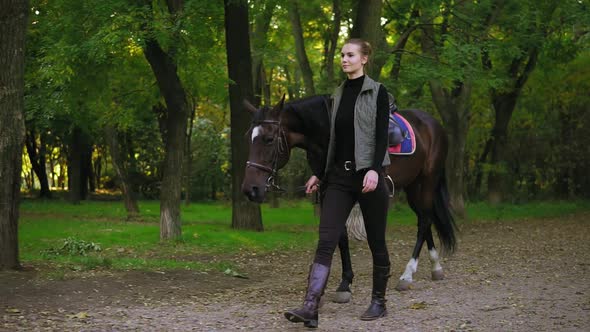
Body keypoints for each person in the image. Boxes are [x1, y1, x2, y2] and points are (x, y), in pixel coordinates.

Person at [284, 38, 392, 328]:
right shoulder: (338, 95)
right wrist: (319, 172)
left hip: (368, 177)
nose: (344, 59)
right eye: (343, 55)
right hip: (339, 179)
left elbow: (381, 136)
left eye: (351, 55)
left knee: (377, 242)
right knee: (326, 240)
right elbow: (332, 141)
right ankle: (310, 307)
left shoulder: (378, 93)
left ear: (364, 58)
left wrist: (373, 169)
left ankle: (379, 301)